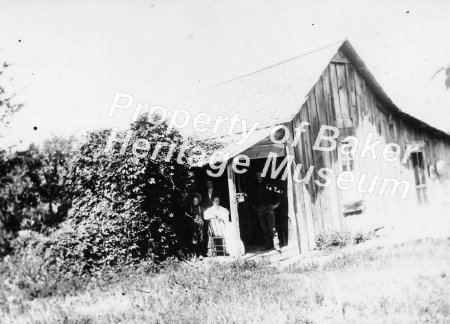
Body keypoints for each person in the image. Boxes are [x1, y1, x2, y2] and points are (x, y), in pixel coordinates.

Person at [251, 171, 283, 252]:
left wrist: (277, 204)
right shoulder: (254, 187)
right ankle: (268, 245)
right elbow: (251, 199)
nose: (259, 177)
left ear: (262, 176)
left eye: (260, 175)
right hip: (260, 210)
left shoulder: (268, 185)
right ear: (255, 177)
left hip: (269, 208)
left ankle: (276, 245)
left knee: (272, 228)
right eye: (257, 175)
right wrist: (256, 208)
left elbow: (278, 192)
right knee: (264, 228)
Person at [185, 193, 205, 259]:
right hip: (192, 226)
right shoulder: (190, 208)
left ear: (198, 201)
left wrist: (200, 219)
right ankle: (194, 254)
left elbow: (203, 216)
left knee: (200, 239)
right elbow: (188, 217)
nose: (195, 202)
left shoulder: (201, 208)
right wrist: (193, 219)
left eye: (196, 200)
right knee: (194, 239)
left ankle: (200, 254)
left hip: (199, 226)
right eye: (194, 200)